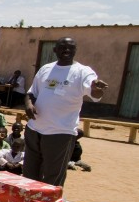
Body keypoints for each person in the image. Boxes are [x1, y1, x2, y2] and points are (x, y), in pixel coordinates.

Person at [23, 37, 107, 186]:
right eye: (62, 47)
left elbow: (95, 93)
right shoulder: (46, 69)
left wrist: (97, 89)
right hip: (34, 129)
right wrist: (29, 105)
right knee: (29, 174)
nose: (66, 50)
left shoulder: (83, 72)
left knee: (52, 177)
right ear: (55, 50)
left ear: (75, 50)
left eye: (70, 47)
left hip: (60, 132)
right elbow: (31, 93)